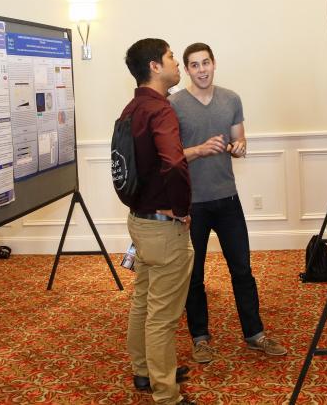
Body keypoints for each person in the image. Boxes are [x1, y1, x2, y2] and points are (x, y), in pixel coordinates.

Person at [170, 42, 288, 365]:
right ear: (187, 70)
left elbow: (241, 140)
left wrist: (239, 147)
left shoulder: (231, 99)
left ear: (214, 63)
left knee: (243, 271)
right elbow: (169, 156)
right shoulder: (175, 104)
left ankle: (255, 334)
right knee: (194, 277)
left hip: (228, 200)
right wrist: (199, 150)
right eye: (194, 65)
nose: (202, 69)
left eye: (206, 62)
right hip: (192, 204)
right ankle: (200, 338)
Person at [120, 38, 196, 405]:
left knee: (143, 301)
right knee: (162, 316)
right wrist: (182, 209)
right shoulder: (161, 110)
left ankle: (144, 371)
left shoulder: (130, 109)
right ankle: (166, 394)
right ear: (154, 66)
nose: (176, 64)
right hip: (163, 229)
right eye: (170, 57)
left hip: (139, 221)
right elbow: (174, 163)